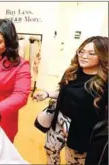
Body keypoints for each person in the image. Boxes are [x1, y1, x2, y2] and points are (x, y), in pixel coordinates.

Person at [33, 36, 108, 164]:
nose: (84, 56)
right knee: (51, 152)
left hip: (82, 131)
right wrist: (47, 94)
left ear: (102, 56)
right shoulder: (72, 72)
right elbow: (64, 93)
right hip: (60, 121)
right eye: (81, 51)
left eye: (91, 53)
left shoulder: (104, 83)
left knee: (73, 160)